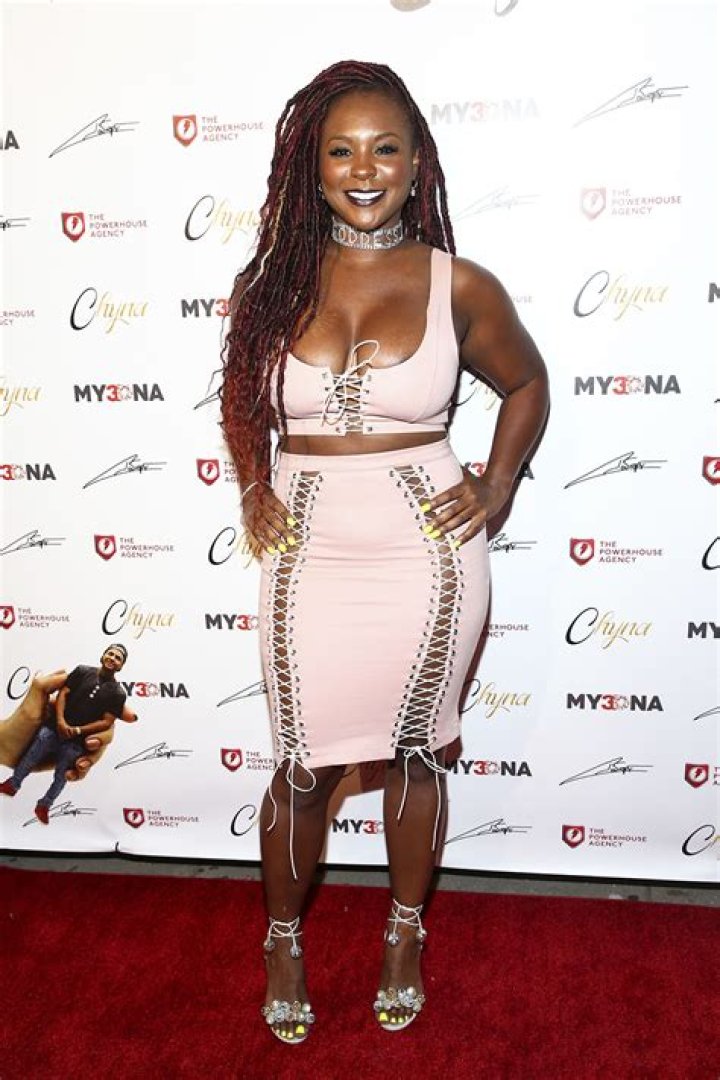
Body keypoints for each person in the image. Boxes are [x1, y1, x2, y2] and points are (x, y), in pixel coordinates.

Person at [220, 60, 549, 1045]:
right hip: (308, 550)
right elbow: (241, 403)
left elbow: (527, 384)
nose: (364, 170)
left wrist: (496, 485)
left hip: (427, 556)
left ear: (416, 164)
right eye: (341, 151)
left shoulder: (461, 285)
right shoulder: (271, 284)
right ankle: (284, 942)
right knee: (302, 768)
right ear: (312, 166)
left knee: (414, 752)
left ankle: (405, 932)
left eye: (385, 149)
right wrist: (253, 485)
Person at [0, 644, 129, 822]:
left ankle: (44, 805)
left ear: (121, 666)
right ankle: (12, 784)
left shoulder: (118, 693)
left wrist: (77, 730)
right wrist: (60, 721)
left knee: (61, 777)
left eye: (118, 658)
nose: (112, 658)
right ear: (103, 655)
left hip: (77, 742)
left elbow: (107, 722)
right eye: (110, 654)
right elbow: (63, 693)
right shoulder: (82, 671)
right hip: (53, 729)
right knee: (30, 757)